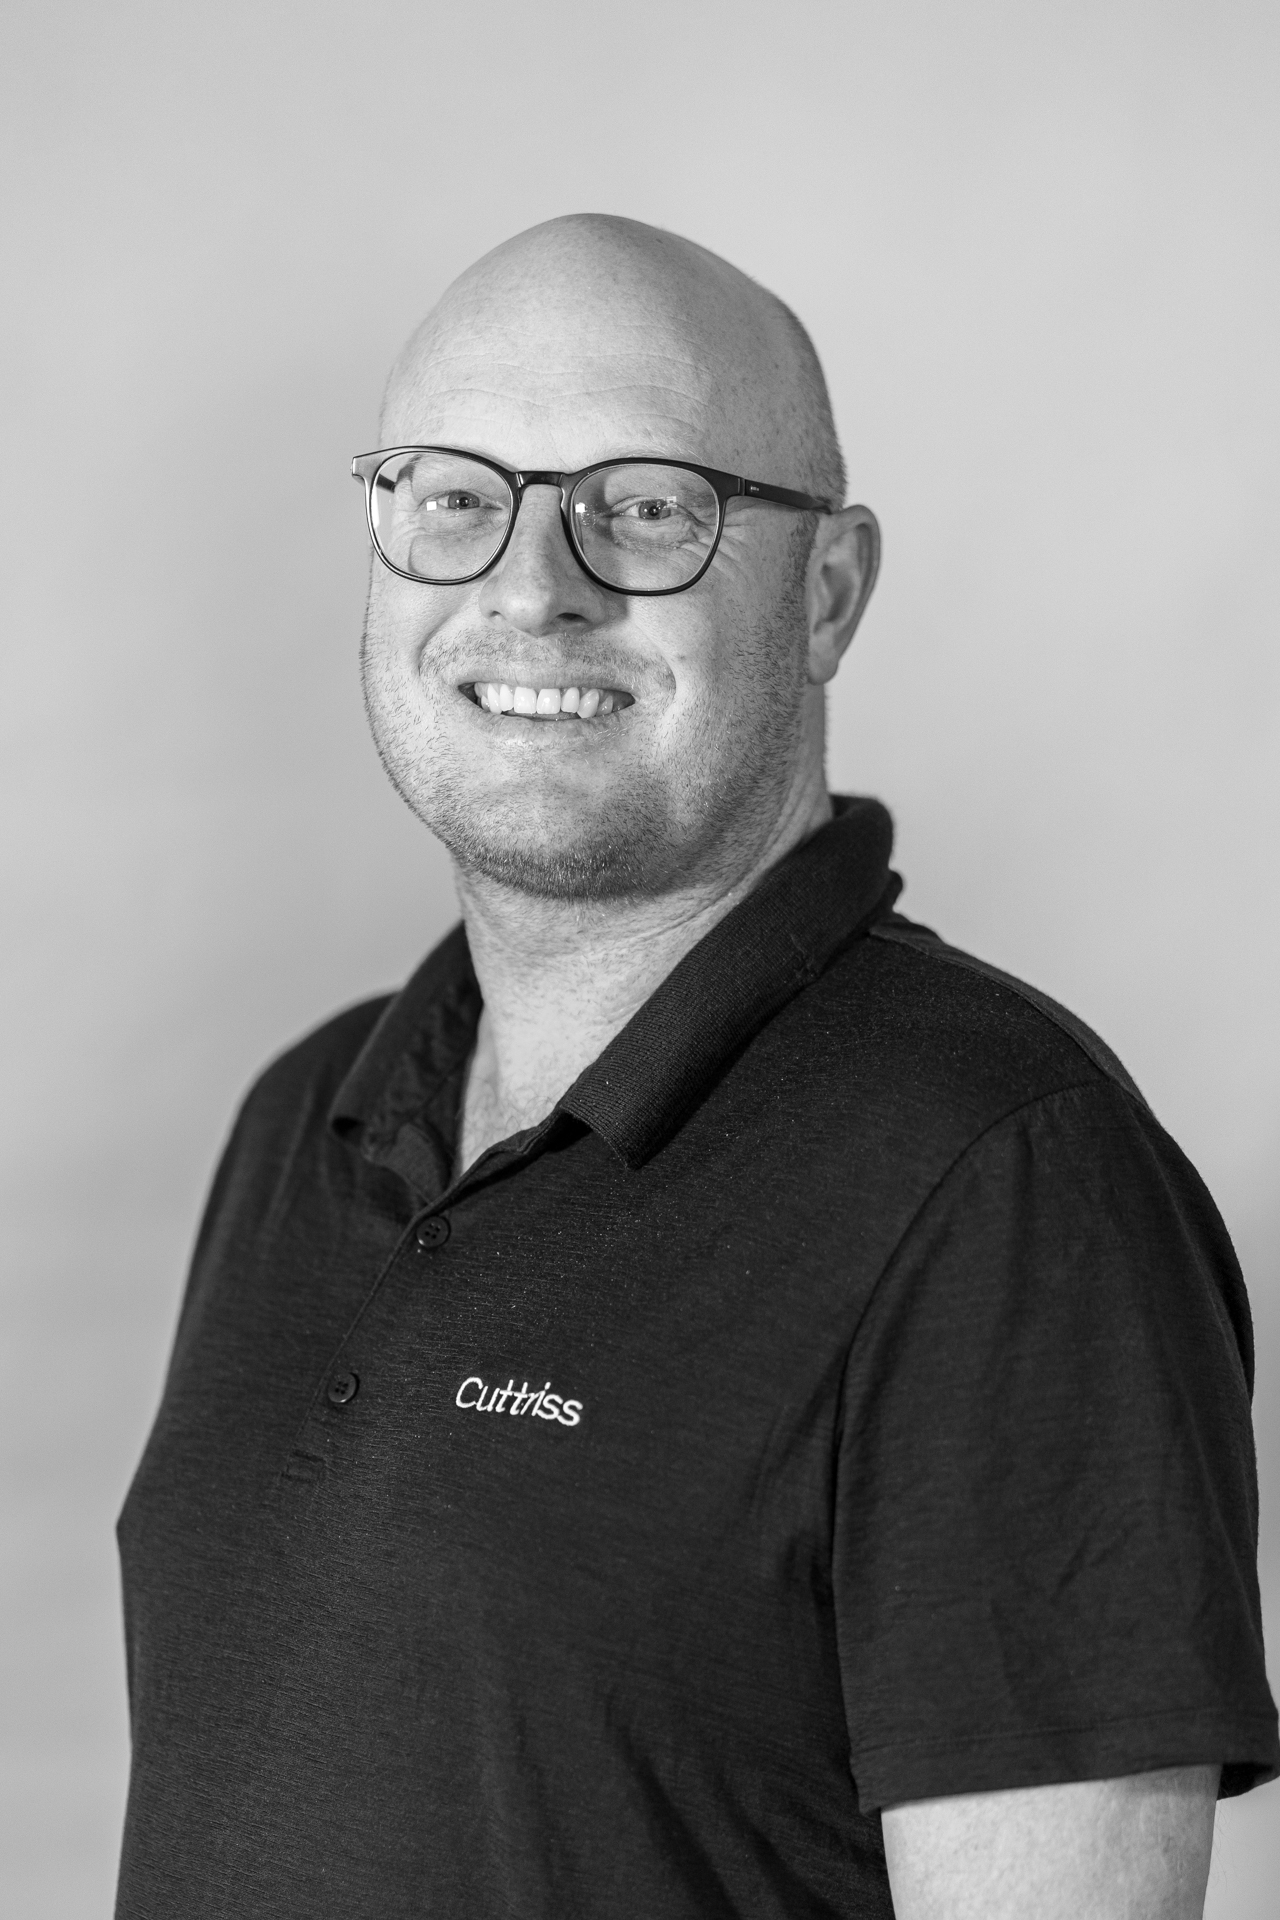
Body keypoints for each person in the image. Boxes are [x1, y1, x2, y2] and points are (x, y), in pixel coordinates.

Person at [114, 214, 1276, 1920]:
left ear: (827, 593)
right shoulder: (311, 1114)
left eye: (646, 508)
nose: (532, 586)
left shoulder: (1007, 1184)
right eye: (453, 497)